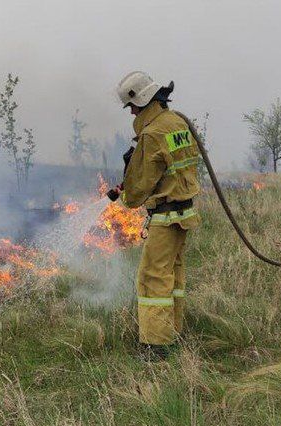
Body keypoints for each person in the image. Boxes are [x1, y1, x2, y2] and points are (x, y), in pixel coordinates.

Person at [114, 71, 201, 356]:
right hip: (184, 211)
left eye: (133, 107)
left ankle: (156, 345)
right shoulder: (176, 122)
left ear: (141, 101)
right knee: (172, 274)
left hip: (166, 216)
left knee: (152, 276)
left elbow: (138, 190)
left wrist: (126, 193)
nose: (132, 113)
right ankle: (173, 331)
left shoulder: (151, 134)